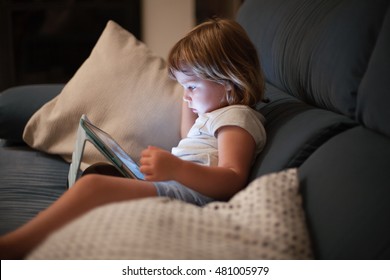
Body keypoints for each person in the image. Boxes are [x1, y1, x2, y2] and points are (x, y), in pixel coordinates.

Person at [0, 18, 266, 259]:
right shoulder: (215, 114)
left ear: (229, 81)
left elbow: (232, 178)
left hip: (188, 198)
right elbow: (187, 133)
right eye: (183, 87)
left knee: (93, 186)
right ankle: (46, 231)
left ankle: (14, 247)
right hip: (176, 187)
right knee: (100, 174)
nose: (185, 95)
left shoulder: (237, 117)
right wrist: (189, 92)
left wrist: (178, 168)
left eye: (192, 87)